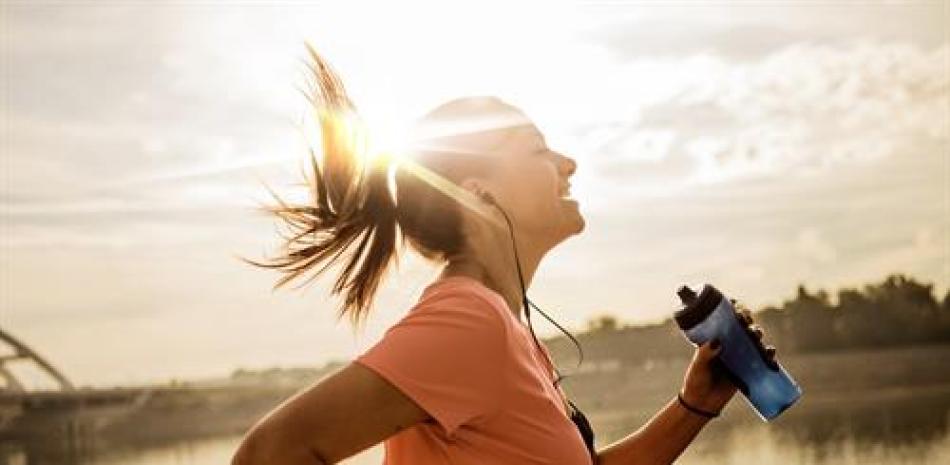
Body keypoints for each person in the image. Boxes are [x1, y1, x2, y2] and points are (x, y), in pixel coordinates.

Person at [231, 44, 775, 465]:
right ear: (478, 192)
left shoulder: (503, 326)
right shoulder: (469, 323)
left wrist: (695, 405)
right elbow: (269, 454)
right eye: (538, 149)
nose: (567, 163)